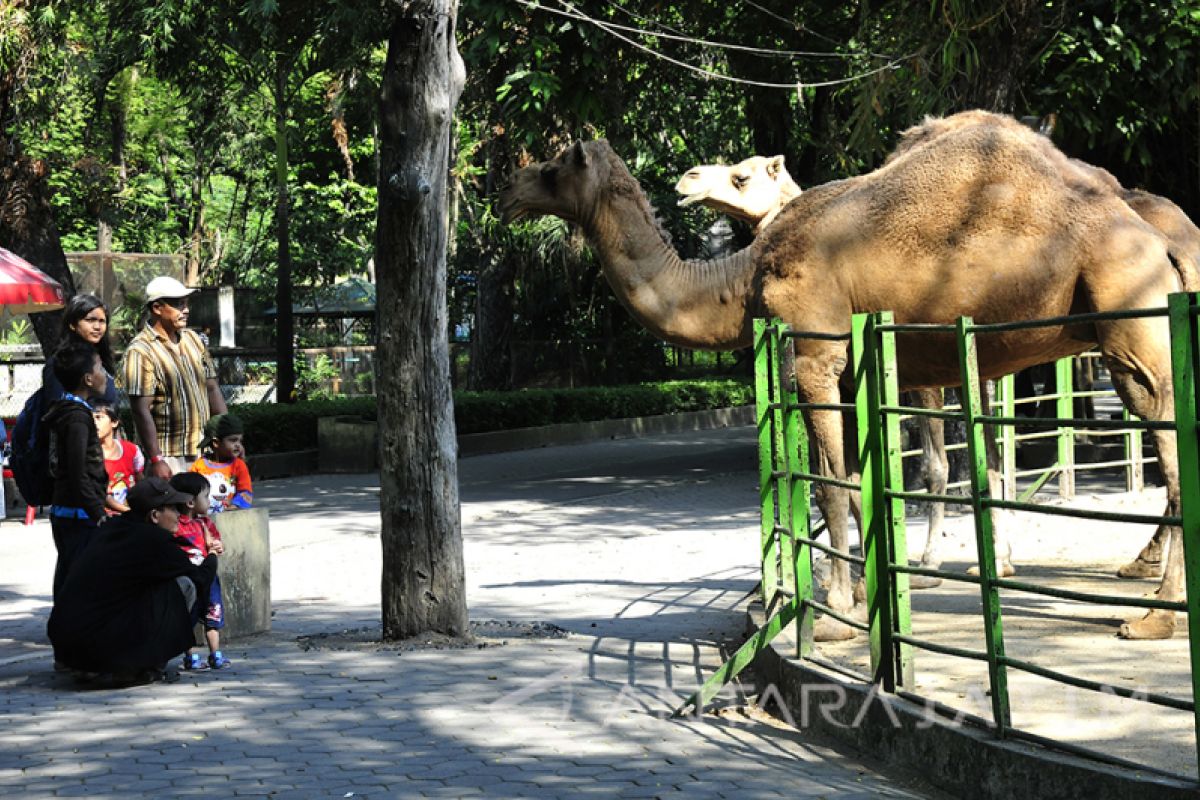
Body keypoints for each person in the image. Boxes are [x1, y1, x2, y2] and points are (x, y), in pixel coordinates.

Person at [47, 477, 216, 685]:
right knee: (184, 585)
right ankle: (141, 666)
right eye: (173, 509)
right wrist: (212, 555)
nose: (179, 515)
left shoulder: (111, 528)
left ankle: (96, 667)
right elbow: (200, 578)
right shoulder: (153, 540)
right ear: (154, 515)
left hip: (68, 645)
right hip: (97, 645)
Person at [121, 276, 227, 480]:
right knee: (173, 512)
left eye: (186, 303)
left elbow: (212, 388)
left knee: (207, 511)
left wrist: (229, 438)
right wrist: (156, 459)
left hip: (203, 452)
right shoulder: (140, 351)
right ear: (157, 308)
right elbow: (140, 409)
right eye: (178, 304)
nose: (185, 309)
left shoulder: (193, 340)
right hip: (169, 457)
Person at [43, 341, 110, 602]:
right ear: (88, 379)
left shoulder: (66, 410)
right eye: (100, 368)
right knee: (81, 579)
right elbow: (77, 470)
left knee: (71, 574)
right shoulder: (77, 419)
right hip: (77, 513)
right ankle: (74, 632)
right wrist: (97, 512)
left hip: (69, 510)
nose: (105, 374)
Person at [170, 472, 232, 670]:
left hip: (210, 578)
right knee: (188, 617)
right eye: (205, 496)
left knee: (213, 615)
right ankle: (190, 657)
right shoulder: (174, 525)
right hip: (189, 580)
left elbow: (216, 542)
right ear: (190, 502)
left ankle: (216, 654)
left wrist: (217, 545)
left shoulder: (205, 523)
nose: (208, 501)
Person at [43, 294, 118, 406]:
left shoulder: (103, 359)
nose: (97, 327)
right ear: (73, 324)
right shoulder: (61, 363)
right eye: (90, 320)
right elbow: (57, 410)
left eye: (102, 321)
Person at [190, 413, 252, 512]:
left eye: (240, 441)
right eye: (233, 440)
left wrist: (235, 505)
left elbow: (245, 491)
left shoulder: (239, 465)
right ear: (216, 443)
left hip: (231, 516)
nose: (238, 445)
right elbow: (190, 493)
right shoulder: (199, 466)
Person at [94, 404, 144, 515]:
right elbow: (103, 496)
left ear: (114, 422)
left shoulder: (132, 450)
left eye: (98, 417)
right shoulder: (90, 456)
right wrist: (132, 512)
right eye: (90, 418)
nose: (94, 422)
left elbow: (140, 481)